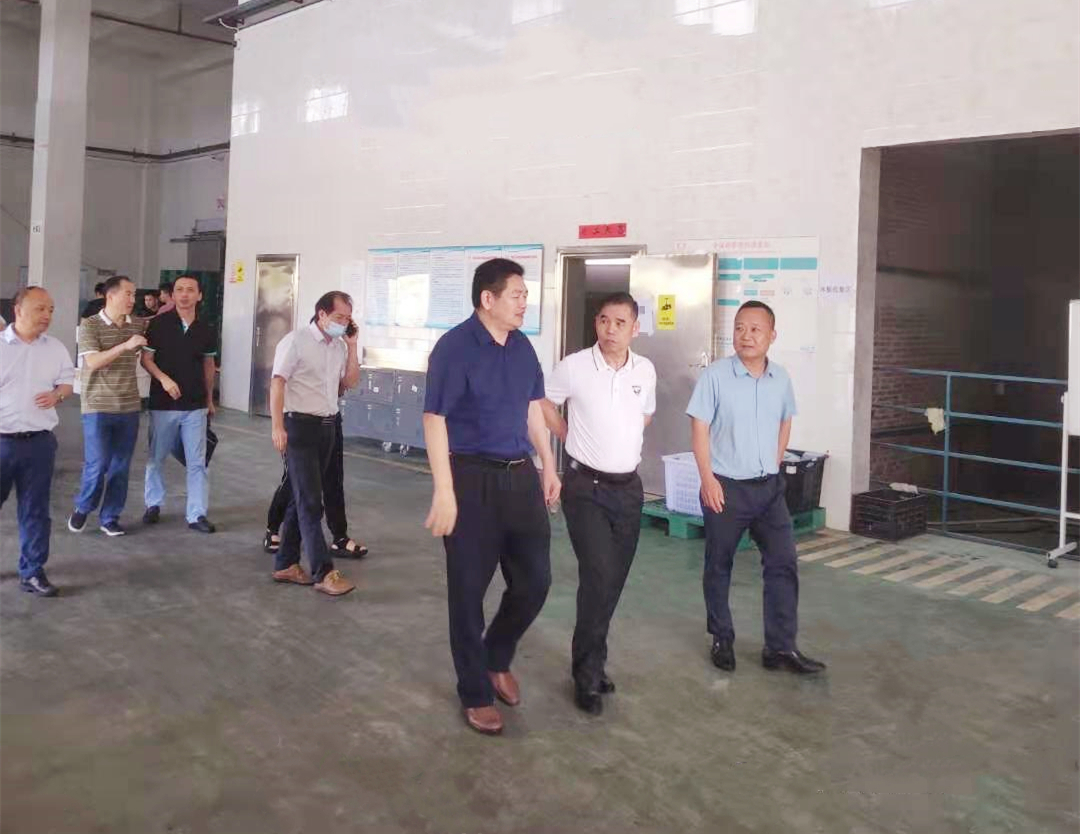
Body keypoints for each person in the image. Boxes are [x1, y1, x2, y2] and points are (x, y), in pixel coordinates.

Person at [423, 258, 560, 736]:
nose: (524, 303)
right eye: (517, 295)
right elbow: (435, 419)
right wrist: (444, 491)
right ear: (488, 299)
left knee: (536, 580)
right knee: (468, 593)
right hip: (470, 479)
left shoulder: (522, 346)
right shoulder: (454, 348)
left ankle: (496, 655)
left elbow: (532, 408)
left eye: (525, 295)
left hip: (520, 476)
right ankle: (475, 691)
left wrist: (548, 464)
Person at [686, 300, 825, 676]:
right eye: (739, 328)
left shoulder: (781, 378)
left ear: (772, 336)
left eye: (754, 329)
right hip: (725, 488)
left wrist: (775, 462)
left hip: (769, 490)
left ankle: (780, 647)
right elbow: (699, 427)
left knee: (783, 562)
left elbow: (785, 421)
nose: (745, 336)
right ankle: (722, 638)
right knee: (719, 565)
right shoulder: (716, 376)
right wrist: (707, 479)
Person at [541, 291, 656, 716]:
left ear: (634, 328)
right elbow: (541, 401)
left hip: (628, 489)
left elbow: (645, 414)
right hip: (585, 488)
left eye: (620, 323)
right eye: (604, 320)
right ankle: (586, 675)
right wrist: (566, 433)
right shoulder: (574, 366)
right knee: (599, 574)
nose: (610, 329)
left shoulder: (645, 370)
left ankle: (593, 660)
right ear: (596, 324)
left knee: (613, 580)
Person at [268, 291, 360, 596]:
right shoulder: (295, 341)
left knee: (302, 499)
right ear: (321, 314)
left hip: (327, 427)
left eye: (347, 318)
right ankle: (324, 572)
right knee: (310, 501)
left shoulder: (338, 346)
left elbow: (349, 382)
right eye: (338, 317)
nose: (343, 323)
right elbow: (277, 382)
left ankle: (286, 563)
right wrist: (277, 426)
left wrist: (352, 345)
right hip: (299, 427)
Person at [0, 287, 75, 596]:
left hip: (39, 444)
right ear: (18, 310)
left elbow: (68, 382)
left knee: (36, 510)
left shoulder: (55, 348)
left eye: (51, 310)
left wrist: (57, 395)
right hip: (1, 441)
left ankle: (32, 571)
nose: (47, 315)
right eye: (40, 308)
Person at [68, 275, 147, 537]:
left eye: (134, 294)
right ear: (110, 296)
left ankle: (110, 517)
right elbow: (93, 362)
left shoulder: (138, 324)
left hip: (129, 405)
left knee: (120, 466)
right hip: (97, 405)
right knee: (98, 463)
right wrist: (125, 345)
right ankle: (83, 506)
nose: (132, 299)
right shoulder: (90, 325)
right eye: (128, 294)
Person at [140, 275, 218, 533]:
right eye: (180, 290)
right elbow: (146, 359)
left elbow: (208, 365)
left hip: (195, 405)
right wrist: (163, 379)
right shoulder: (158, 324)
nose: (185, 294)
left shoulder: (206, 329)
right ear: (172, 295)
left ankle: (196, 514)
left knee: (197, 462)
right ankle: (153, 503)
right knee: (156, 457)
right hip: (163, 404)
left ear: (199, 295)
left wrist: (209, 399)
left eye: (190, 290)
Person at [263, 414, 367, 556]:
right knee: (293, 480)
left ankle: (340, 537)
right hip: (300, 421)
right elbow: (276, 397)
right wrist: (277, 427)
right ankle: (272, 528)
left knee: (334, 478)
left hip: (330, 420)